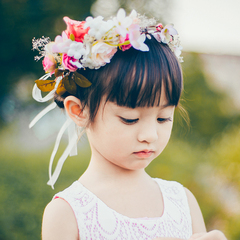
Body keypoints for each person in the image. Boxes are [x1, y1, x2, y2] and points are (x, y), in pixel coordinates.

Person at [30, 8, 227, 240]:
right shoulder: (67, 213)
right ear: (79, 111)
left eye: (163, 118)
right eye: (130, 119)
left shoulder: (182, 201)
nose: (150, 135)